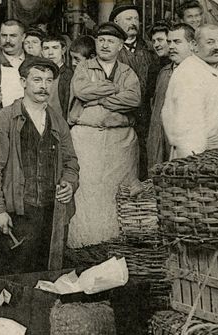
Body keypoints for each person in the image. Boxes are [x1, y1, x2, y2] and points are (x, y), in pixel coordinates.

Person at [0, 57, 79, 275]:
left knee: (47, 274)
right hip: (18, 212)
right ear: (23, 82)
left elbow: (71, 161)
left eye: (48, 80)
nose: (43, 86)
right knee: (14, 278)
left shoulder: (57, 120)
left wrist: (69, 183)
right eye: (37, 79)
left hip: (50, 213)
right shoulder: (4, 119)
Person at [67, 22, 140, 247]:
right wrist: (113, 89)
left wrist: (98, 98)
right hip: (87, 138)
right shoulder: (84, 68)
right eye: (101, 40)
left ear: (120, 45)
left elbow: (134, 99)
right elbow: (81, 90)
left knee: (115, 193)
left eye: (111, 41)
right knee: (87, 192)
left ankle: (114, 246)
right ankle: (84, 246)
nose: (105, 45)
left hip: (120, 141)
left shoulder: (127, 71)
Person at [162, 24, 218, 158]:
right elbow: (187, 132)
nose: (217, 47)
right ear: (194, 45)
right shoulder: (189, 74)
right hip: (200, 160)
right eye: (210, 42)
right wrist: (196, 164)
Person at [111, 3, 158, 179]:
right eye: (128, 19)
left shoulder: (150, 49)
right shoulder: (111, 50)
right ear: (116, 22)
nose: (133, 23)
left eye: (136, 19)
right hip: (122, 114)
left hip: (146, 115)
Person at [147, 23, 196, 170]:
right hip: (160, 145)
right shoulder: (163, 73)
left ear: (192, 44)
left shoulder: (200, 73)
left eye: (177, 42)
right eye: (169, 42)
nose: (172, 46)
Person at [0, 19, 34, 107]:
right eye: (4, 35)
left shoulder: (34, 62)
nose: (7, 40)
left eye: (13, 36)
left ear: (23, 37)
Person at [41, 33, 72, 118]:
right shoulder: (38, 74)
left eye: (55, 48)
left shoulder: (68, 75)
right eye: (46, 48)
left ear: (63, 50)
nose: (50, 53)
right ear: (42, 52)